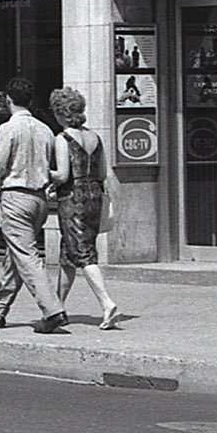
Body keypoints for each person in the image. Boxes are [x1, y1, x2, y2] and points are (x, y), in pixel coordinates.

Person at [0, 76, 67, 334]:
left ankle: (52, 310)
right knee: (17, 255)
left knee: (26, 255)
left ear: (8, 100)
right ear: (31, 101)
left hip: (16, 197)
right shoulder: (45, 129)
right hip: (40, 200)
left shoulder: (9, 129)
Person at [49, 86, 122, 331]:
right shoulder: (95, 138)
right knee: (69, 254)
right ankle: (56, 308)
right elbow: (102, 173)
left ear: (60, 114)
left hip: (72, 199)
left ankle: (107, 303)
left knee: (83, 253)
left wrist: (44, 173)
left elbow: (62, 175)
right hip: (94, 196)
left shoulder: (63, 139)